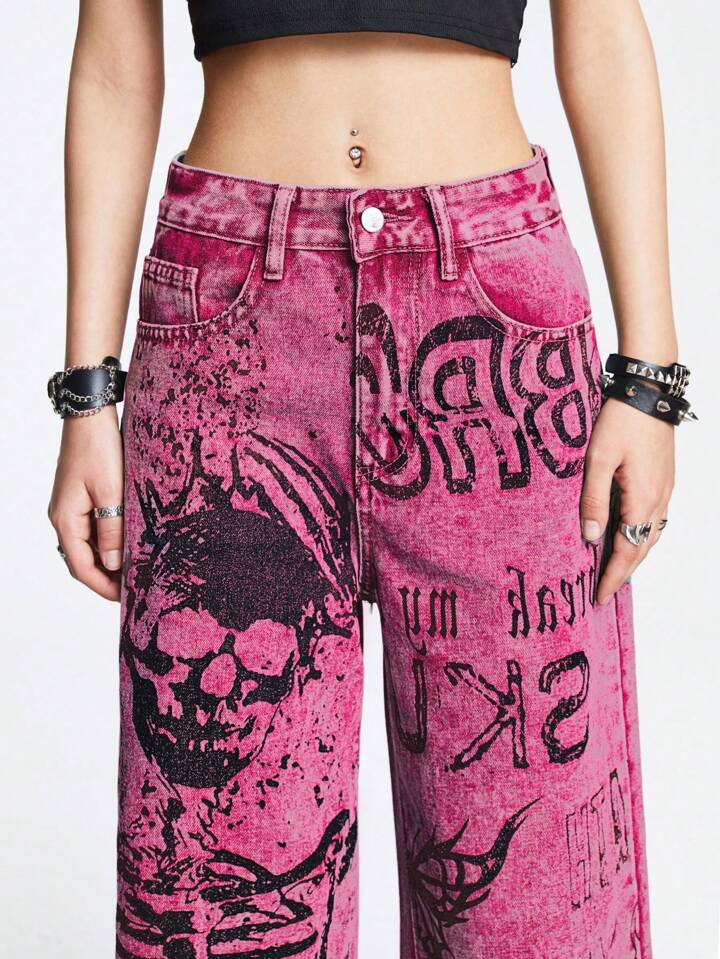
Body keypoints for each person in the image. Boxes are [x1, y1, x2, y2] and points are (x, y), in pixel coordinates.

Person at [47, 2, 698, 956]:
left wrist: (649, 379)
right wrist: (86, 396)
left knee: (533, 911)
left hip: (489, 337)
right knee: (221, 908)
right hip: (229, 326)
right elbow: (114, 57)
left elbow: (601, 32)